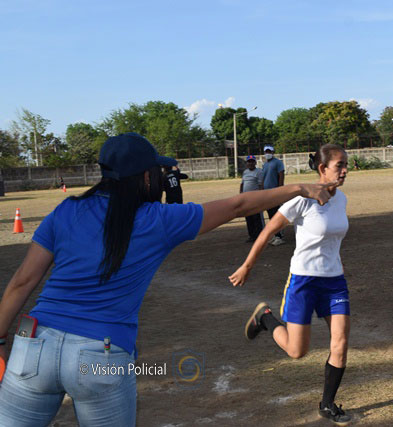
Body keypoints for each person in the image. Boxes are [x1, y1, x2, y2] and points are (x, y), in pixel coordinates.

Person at [0, 132, 333, 426]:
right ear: (146, 177)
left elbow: (22, 282)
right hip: (99, 359)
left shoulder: (66, 209)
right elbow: (238, 206)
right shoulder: (157, 220)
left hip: (34, 345)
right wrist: (298, 188)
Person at [229, 144, 351, 425]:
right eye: (339, 165)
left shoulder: (342, 199)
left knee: (341, 343)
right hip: (304, 281)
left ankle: (327, 404)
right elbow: (269, 231)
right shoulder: (301, 200)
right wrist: (247, 266)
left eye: (346, 164)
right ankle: (265, 318)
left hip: (334, 282)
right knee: (297, 351)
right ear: (322, 169)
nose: (345, 170)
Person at [261, 144, 286, 246]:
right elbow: (263, 178)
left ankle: (279, 236)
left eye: (269, 151)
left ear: (273, 152)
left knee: (276, 215)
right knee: (271, 215)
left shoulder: (278, 163)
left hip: (274, 193)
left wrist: (280, 190)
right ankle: (275, 235)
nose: (267, 153)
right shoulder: (265, 164)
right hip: (266, 193)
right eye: (266, 151)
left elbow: (281, 175)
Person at [240, 155, 265, 242]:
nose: (250, 163)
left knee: (257, 218)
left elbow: (260, 185)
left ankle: (260, 236)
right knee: (249, 218)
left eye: (252, 161)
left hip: (255, 199)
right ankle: (252, 236)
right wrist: (241, 195)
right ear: (247, 163)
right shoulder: (245, 172)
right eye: (249, 161)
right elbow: (242, 184)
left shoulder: (259, 172)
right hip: (245, 199)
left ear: (255, 162)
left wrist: (261, 197)